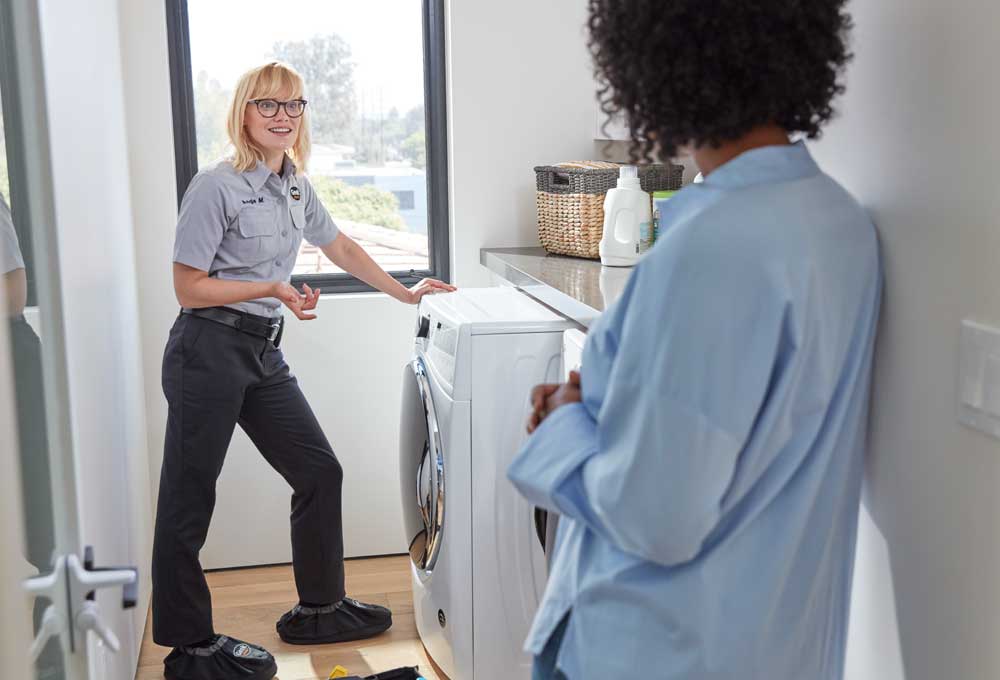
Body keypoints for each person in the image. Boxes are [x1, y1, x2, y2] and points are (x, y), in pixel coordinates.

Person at [509, 2, 882, 678]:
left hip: (652, 650)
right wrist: (616, 398)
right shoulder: (838, 221)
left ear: (652, 59)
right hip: (770, 642)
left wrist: (563, 425)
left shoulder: (713, 244)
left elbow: (658, 517)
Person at [151, 62, 455, 680]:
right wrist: (273, 286)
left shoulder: (295, 186)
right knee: (189, 497)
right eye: (269, 106)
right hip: (205, 352)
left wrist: (405, 293)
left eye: (293, 106)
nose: (283, 116)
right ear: (243, 113)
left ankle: (321, 608)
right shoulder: (216, 186)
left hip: (262, 352)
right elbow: (187, 288)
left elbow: (338, 244)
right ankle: (190, 649)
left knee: (319, 470)